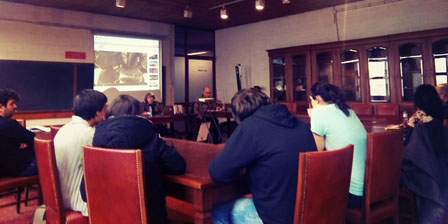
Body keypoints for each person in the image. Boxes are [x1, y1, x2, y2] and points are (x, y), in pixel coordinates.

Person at [209, 88, 317, 224]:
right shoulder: (301, 124)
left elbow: (217, 172)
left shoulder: (250, 127)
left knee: (215, 211)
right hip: (307, 213)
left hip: (276, 218)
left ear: (240, 116)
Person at [80, 94, 186, 224]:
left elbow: (85, 193)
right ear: (138, 115)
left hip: (107, 218)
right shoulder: (148, 135)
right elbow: (178, 166)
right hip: (148, 218)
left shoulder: (97, 139)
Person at [308, 82, 367, 208]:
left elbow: (316, 150)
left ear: (317, 98)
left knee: (309, 187)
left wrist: (313, 115)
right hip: (370, 187)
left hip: (352, 192)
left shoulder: (319, 112)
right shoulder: (348, 110)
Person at [54, 89, 107, 216]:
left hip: (59, 198)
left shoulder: (63, 129)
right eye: (105, 108)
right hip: (80, 202)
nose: (106, 112)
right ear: (97, 111)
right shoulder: (90, 134)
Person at [400, 84, 448, 223]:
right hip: (439, 167)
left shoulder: (419, 118)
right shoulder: (438, 118)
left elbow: (407, 132)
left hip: (422, 169)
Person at [0, 89, 37, 177]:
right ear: (1, 106)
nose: (15, 106)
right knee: (54, 159)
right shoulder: (9, 124)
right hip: (16, 170)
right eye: (12, 103)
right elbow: (35, 139)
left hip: (3, 171)